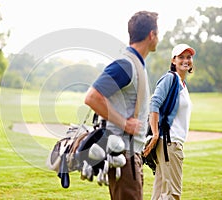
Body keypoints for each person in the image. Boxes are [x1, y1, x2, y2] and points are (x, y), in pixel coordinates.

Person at [84, 11, 159, 200]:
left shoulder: (136, 64)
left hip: (130, 154)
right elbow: (92, 97)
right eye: (158, 33)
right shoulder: (126, 64)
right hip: (124, 155)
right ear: (152, 35)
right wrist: (125, 124)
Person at [143, 43, 196, 200]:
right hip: (170, 143)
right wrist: (155, 133)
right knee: (172, 194)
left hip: (169, 143)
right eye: (181, 57)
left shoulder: (181, 83)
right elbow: (154, 103)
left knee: (160, 194)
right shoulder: (170, 78)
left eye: (189, 57)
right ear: (173, 60)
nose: (185, 60)